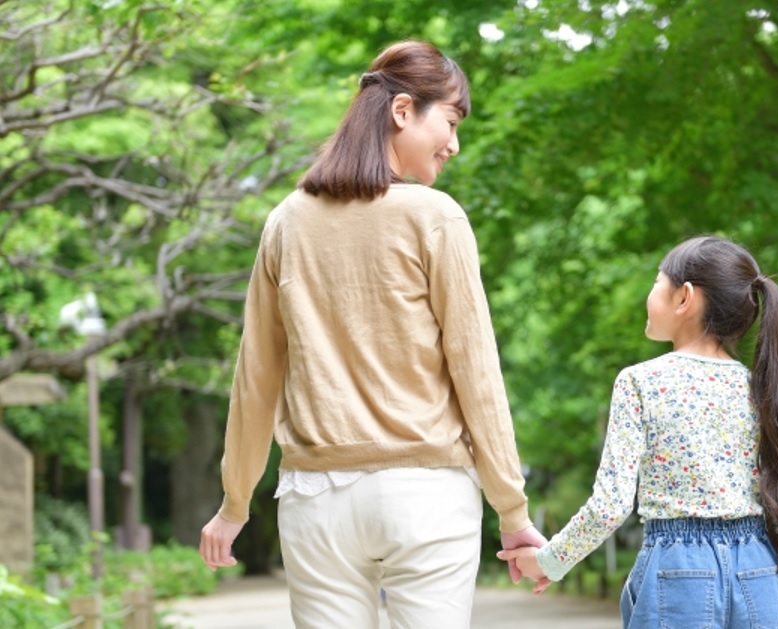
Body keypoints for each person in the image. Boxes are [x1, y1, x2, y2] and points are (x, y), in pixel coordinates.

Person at [199, 40, 545, 629]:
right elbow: (476, 375)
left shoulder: (287, 220)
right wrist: (511, 512)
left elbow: (256, 377)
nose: (455, 143)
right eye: (452, 120)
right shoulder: (436, 217)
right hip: (428, 493)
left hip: (315, 497)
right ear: (403, 110)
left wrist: (235, 503)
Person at [498, 235, 778, 629]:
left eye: (657, 282)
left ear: (684, 297)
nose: (650, 293)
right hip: (760, 570)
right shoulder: (761, 388)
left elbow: (610, 506)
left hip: (679, 572)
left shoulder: (641, 382)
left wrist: (549, 562)